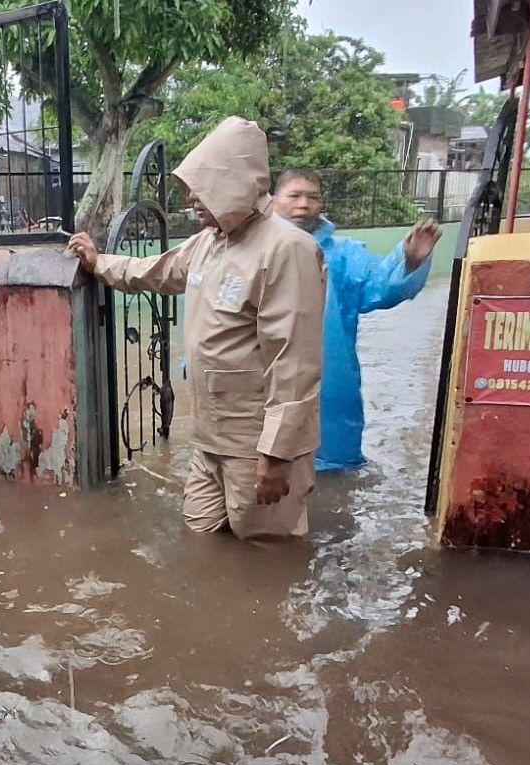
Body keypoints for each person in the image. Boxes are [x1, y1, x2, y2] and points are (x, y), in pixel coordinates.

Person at [67, 117, 327, 539]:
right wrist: (100, 263)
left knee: (266, 547)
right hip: (209, 433)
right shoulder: (210, 242)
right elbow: (155, 271)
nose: (191, 200)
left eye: (201, 189)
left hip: (255, 440)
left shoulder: (287, 249)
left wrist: (278, 454)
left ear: (235, 184)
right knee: (202, 532)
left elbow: (295, 360)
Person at [271, 170, 442, 472]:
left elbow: (381, 285)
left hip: (330, 381)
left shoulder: (344, 255)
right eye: (294, 195)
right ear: (273, 200)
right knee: (259, 465)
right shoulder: (252, 251)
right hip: (265, 376)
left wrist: (411, 260)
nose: (304, 204)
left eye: (312, 197)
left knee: (334, 469)